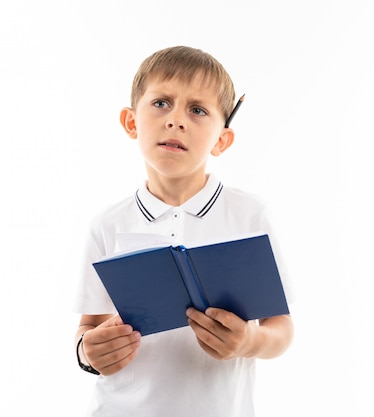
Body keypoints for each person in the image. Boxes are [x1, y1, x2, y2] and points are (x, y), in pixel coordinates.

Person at [73, 45, 294, 417]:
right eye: (161, 103)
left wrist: (250, 340)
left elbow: (280, 330)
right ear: (131, 122)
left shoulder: (248, 215)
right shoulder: (107, 224)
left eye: (198, 110)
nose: (176, 120)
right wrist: (88, 354)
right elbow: (87, 330)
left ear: (222, 139)